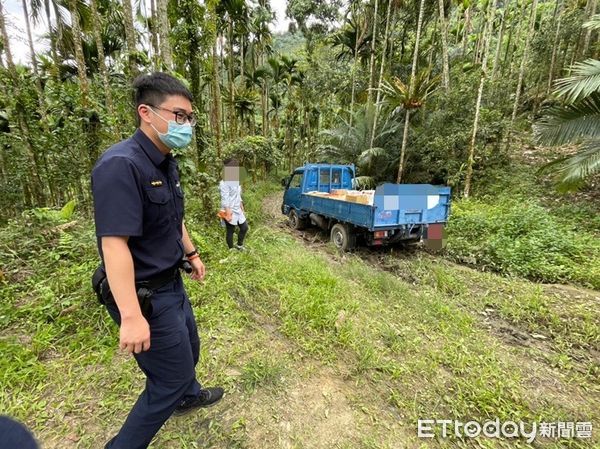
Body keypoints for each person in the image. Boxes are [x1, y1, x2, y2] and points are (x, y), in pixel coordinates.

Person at [91, 72, 223, 449]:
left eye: (189, 118)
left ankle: (187, 395)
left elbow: (173, 218)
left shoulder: (166, 160)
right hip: (144, 294)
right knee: (168, 378)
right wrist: (131, 317)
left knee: (190, 347)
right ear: (146, 113)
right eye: (179, 116)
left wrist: (192, 252)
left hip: (171, 283)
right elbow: (114, 244)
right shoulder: (121, 165)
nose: (186, 125)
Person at [219, 158, 249, 250]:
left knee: (244, 227)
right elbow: (225, 199)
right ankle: (231, 249)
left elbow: (238, 194)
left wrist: (241, 205)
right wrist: (228, 212)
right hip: (228, 209)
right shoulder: (223, 183)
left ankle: (239, 245)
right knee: (230, 230)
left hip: (237, 208)